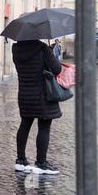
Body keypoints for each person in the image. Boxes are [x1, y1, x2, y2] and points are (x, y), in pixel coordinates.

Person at [12, 40, 62, 175]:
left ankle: (20, 160)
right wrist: (49, 52)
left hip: (24, 94)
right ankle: (41, 163)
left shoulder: (15, 49)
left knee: (24, 124)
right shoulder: (42, 48)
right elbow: (57, 69)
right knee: (44, 127)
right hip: (42, 95)